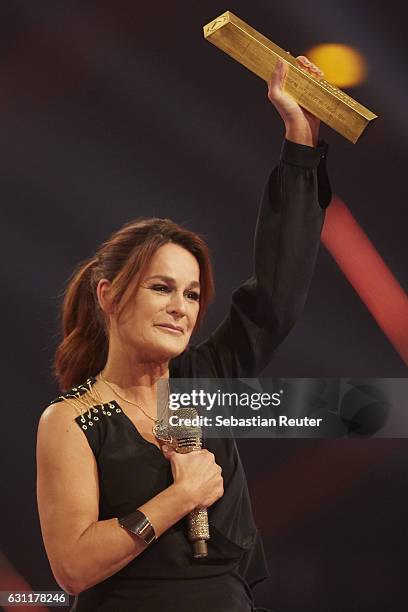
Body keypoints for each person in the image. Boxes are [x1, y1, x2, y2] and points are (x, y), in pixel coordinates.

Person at [36, 57, 332, 612]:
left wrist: (300, 140)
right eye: (162, 289)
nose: (181, 309)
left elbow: (278, 294)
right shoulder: (70, 420)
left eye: (193, 295)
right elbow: (72, 569)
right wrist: (180, 497)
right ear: (109, 296)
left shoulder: (203, 382)